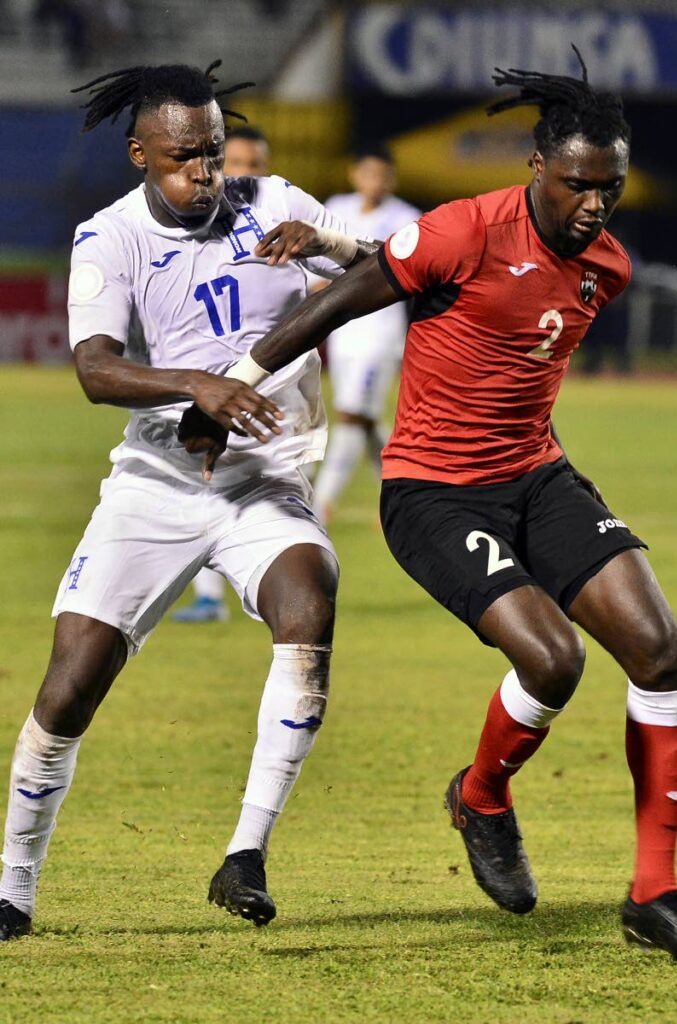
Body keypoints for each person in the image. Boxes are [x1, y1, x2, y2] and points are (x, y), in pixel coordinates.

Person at [180, 53, 677, 962]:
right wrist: (227, 395)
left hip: (537, 476)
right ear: (535, 167)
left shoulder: (605, 265)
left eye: (609, 188)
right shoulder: (466, 228)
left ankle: (653, 892)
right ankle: (482, 797)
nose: (594, 205)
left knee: (661, 652)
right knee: (553, 659)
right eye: (578, 185)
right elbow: (341, 303)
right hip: (431, 490)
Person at [0, 60, 376, 941]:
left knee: (309, 599)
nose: (205, 174)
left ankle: (245, 854)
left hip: (264, 484)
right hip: (156, 485)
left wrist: (324, 244)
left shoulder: (271, 197)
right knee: (71, 685)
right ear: (140, 155)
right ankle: (13, 890)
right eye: (183, 159)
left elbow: (379, 267)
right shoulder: (109, 238)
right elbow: (94, 369)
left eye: (212, 153)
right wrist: (196, 387)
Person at [172, 124, 272, 624]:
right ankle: (210, 598)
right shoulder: (189, 229)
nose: (245, 174)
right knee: (201, 491)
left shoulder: (283, 221)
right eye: (237, 163)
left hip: (277, 405)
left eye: (256, 165)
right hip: (213, 397)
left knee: (271, 510)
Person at [310, 148, 420, 524]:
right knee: (366, 418)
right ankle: (404, 495)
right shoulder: (337, 207)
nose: (375, 181)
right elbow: (318, 264)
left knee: (351, 414)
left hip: (380, 334)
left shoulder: (406, 219)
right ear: (354, 173)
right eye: (368, 173)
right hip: (344, 333)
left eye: (383, 175)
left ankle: (320, 503)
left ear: (392, 179)